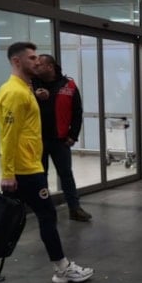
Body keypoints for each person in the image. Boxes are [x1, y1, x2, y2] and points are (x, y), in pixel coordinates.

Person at [0, 42, 93, 283]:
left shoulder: (24, 89)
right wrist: (8, 173)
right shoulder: (15, 92)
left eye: (37, 58)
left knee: (6, 215)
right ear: (17, 61)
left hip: (26, 165)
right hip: (25, 169)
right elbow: (9, 135)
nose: (37, 61)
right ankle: (62, 268)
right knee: (47, 215)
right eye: (32, 58)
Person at [32, 54, 92, 222]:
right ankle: (44, 211)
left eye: (39, 65)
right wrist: (35, 96)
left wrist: (73, 135)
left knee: (66, 175)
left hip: (60, 140)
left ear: (50, 66)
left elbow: (77, 112)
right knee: (40, 177)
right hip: (37, 140)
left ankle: (74, 208)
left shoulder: (68, 85)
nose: (35, 67)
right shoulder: (31, 84)